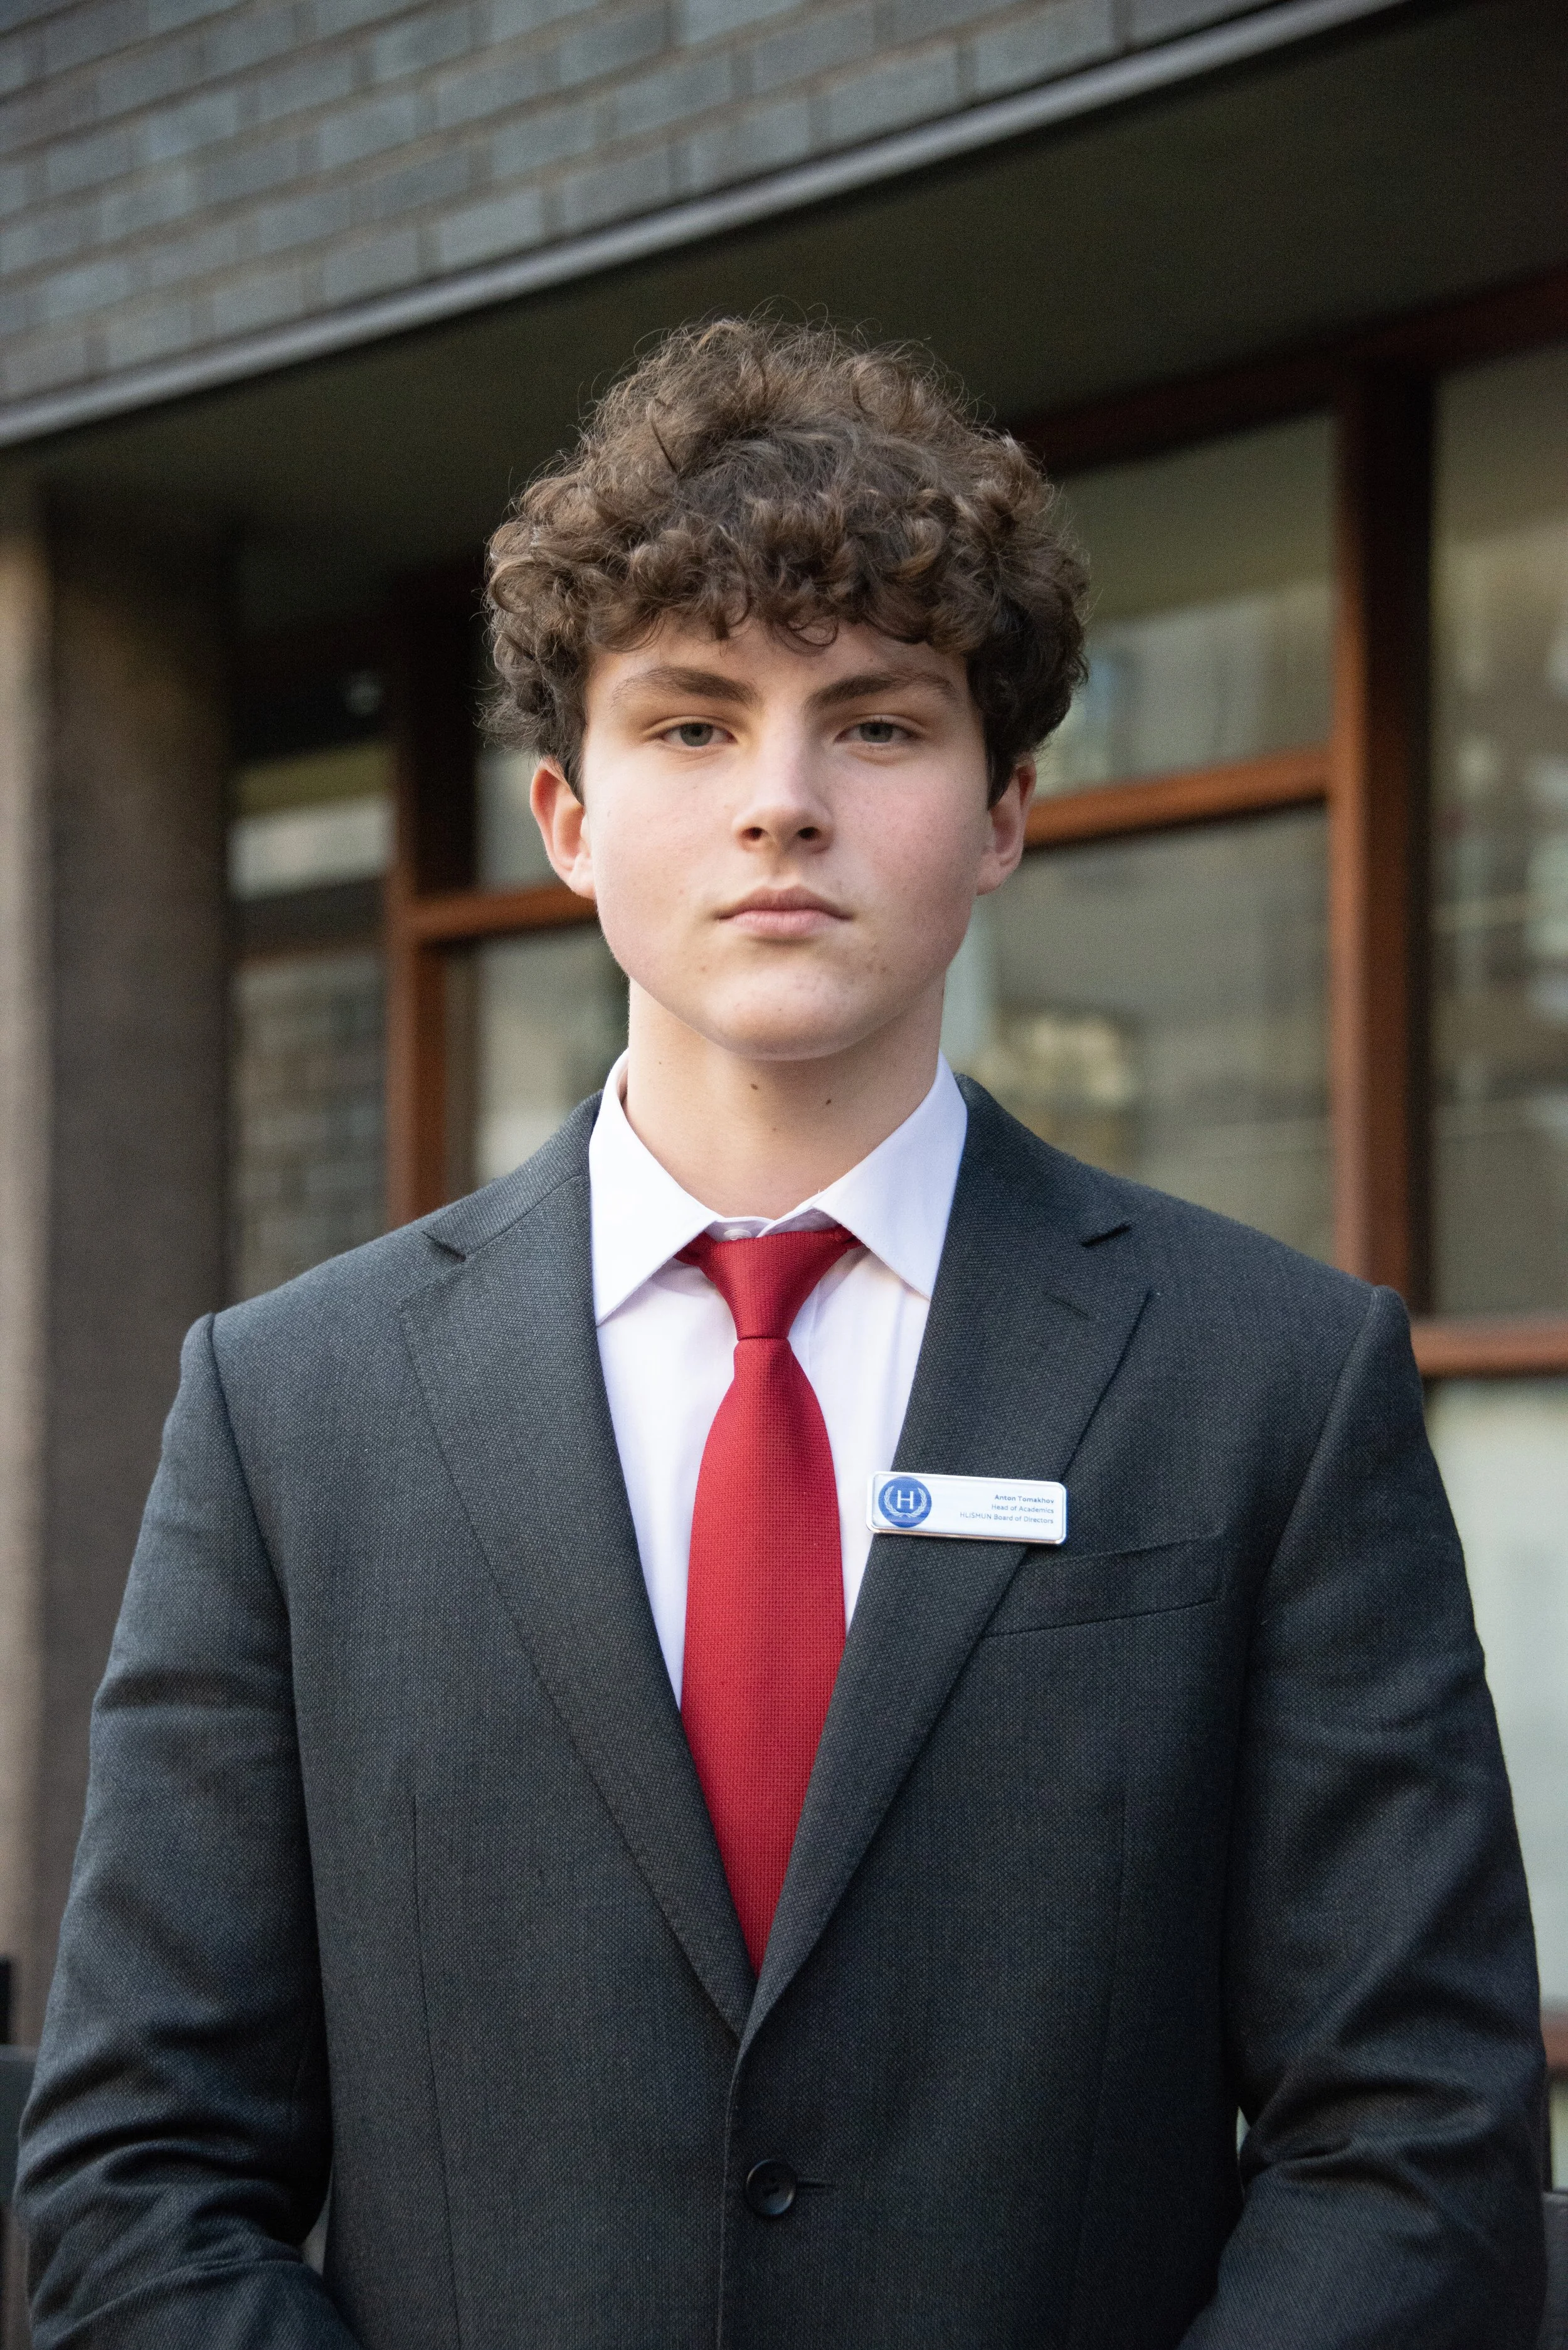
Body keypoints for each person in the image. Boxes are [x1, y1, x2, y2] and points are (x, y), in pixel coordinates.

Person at [16, 318, 1545, 2349]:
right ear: (564, 817)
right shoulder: (290, 1412)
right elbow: (140, 2173)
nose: (783, 806)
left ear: (1004, 810)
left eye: (880, 727)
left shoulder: (1265, 1382)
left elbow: (1413, 2138)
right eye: (692, 724)